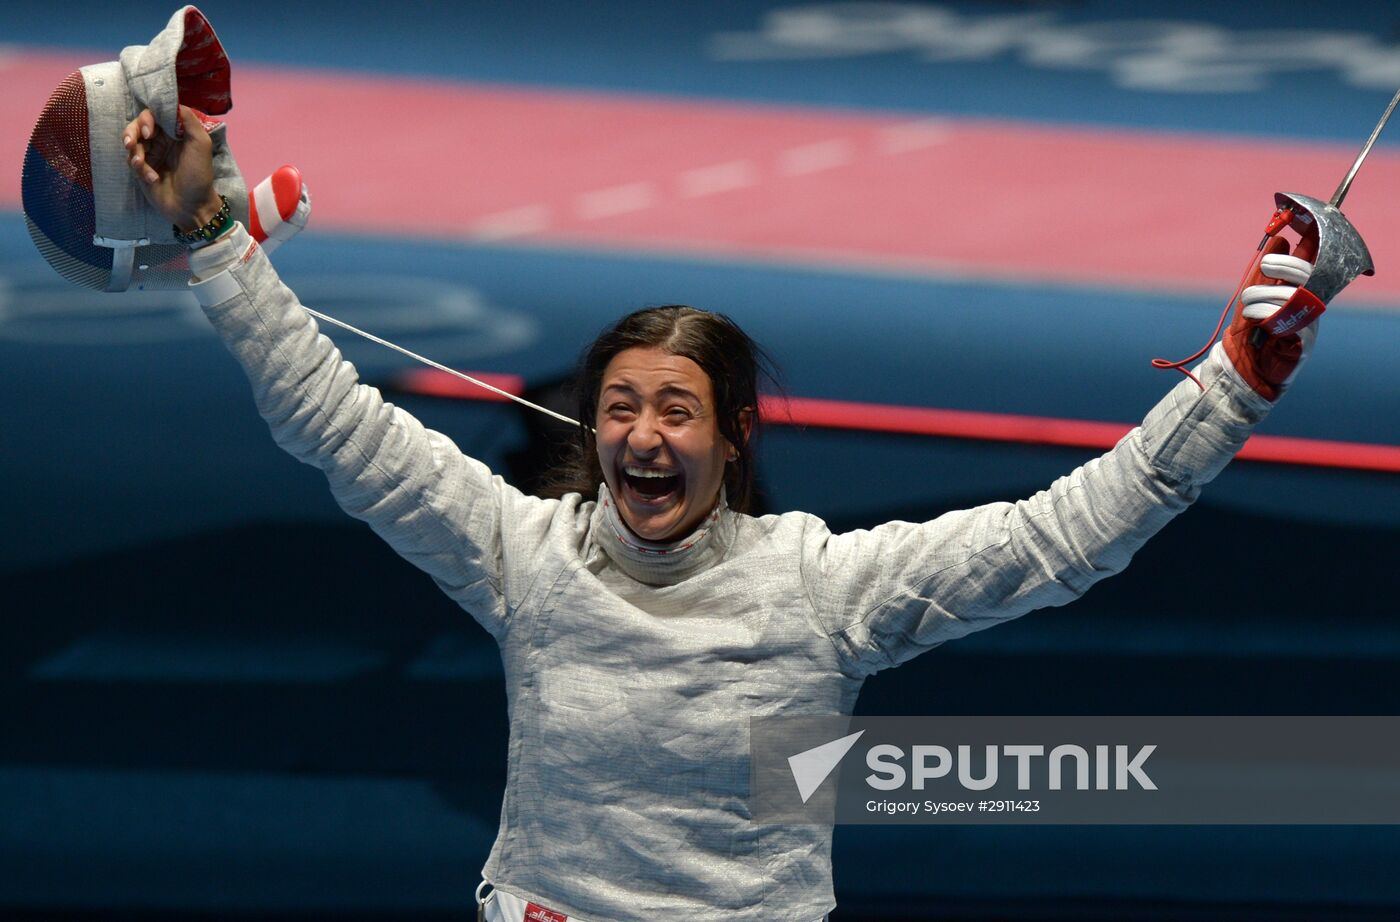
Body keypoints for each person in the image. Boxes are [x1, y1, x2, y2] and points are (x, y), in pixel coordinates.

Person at [124, 105, 1317, 922]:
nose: (643, 435)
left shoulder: (818, 585)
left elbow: (1067, 536)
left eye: (676, 410)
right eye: (620, 407)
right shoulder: (524, 554)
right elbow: (329, 419)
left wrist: (1235, 378)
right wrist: (213, 238)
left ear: (733, 434)